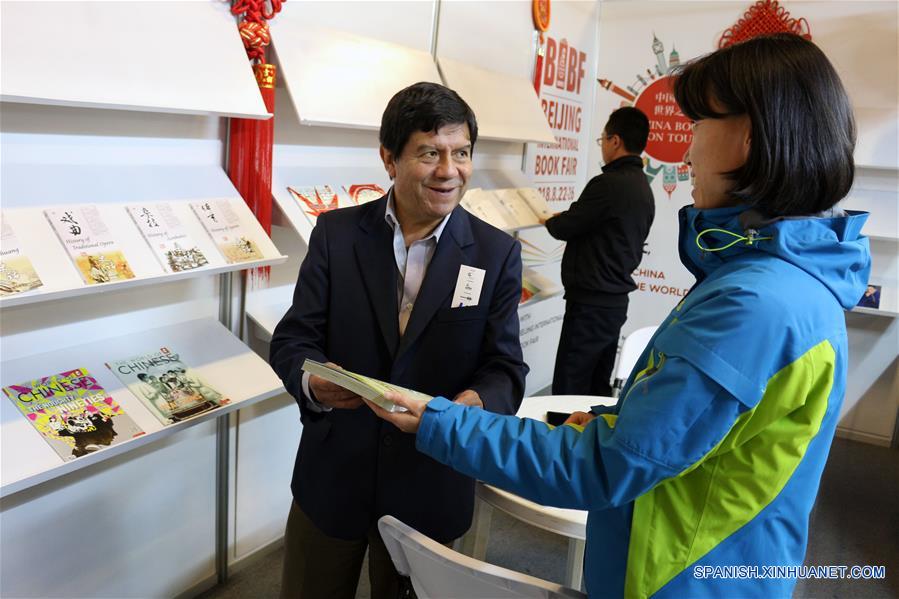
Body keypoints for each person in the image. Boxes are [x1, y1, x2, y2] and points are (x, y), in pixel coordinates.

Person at [366, 34, 869, 598]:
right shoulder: (778, 283)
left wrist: (439, 421)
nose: (687, 151)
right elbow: (686, 436)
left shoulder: (757, 304)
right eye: (429, 153)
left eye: (699, 125)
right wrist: (626, 417)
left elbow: (602, 467)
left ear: (748, 137)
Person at [269, 81, 528, 599]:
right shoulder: (336, 235)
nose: (448, 171)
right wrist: (316, 385)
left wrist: (467, 409)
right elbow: (294, 339)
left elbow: (505, 368)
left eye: (461, 153)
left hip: (430, 481)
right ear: (389, 158)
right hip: (333, 475)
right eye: (429, 153)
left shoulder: (495, 252)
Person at [541, 106, 655, 396]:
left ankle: (561, 439)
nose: (603, 145)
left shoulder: (607, 184)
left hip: (590, 304)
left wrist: (549, 219)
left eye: (603, 139)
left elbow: (565, 227)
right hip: (614, 302)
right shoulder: (642, 186)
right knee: (595, 385)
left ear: (615, 140)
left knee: (570, 383)